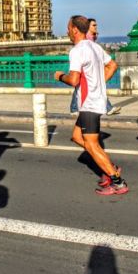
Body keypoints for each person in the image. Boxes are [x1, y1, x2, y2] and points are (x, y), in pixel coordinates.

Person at [55, 15, 128, 195]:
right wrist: (98, 83)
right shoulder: (95, 47)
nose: (66, 31)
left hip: (89, 103)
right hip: (95, 100)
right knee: (77, 137)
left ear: (74, 30)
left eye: (68, 28)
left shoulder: (77, 50)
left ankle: (117, 181)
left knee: (92, 144)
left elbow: (73, 80)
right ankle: (109, 166)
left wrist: (59, 76)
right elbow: (112, 65)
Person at [70, 18, 120, 116]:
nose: (96, 27)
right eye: (93, 25)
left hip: (90, 72)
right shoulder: (86, 40)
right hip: (87, 67)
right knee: (82, 87)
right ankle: (74, 108)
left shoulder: (93, 40)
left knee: (82, 87)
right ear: (87, 27)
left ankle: (74, 109)